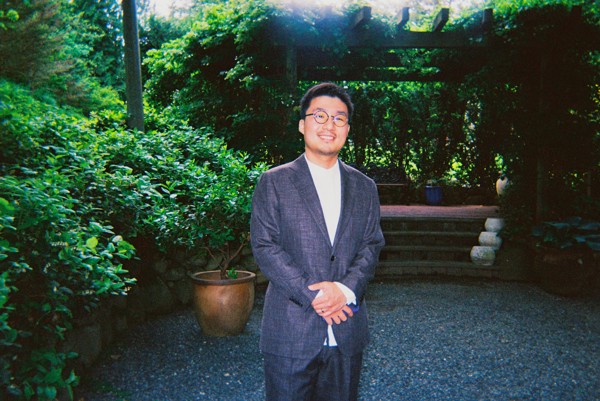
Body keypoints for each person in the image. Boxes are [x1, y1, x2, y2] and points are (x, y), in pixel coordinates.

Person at [250, 82, 385, 401]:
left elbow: (371, 244)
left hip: (347, 331)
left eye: (339, 118)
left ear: (347, 129)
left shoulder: (365, 187)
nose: (329, 125)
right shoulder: (274, 182)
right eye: (320, 116)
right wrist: (316, 295)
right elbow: (265, 246)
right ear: (302, 125)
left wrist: (345, 290)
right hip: (290, 332)